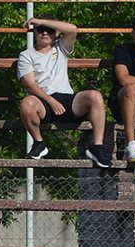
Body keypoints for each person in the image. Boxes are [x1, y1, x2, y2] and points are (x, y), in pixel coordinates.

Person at [16, 16, 111, 167]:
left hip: (67, 99)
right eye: (40, 30)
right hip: (43, 103)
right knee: (27, 103)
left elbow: (73, 29)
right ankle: (39, 143)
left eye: (49, 30)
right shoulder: (26, 55)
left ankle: (97, 146)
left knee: (95, 96)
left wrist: (41, 21)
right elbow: (30, 85)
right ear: (34, 32)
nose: (45, 33)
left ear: (56, 33)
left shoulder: (60, 47)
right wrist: (51, 101)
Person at [109, 14, 135, 163]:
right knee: (132, 88)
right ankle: (131, 145)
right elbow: (124, 79)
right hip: (123, 103)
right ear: (132, 33)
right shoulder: (123, 51)